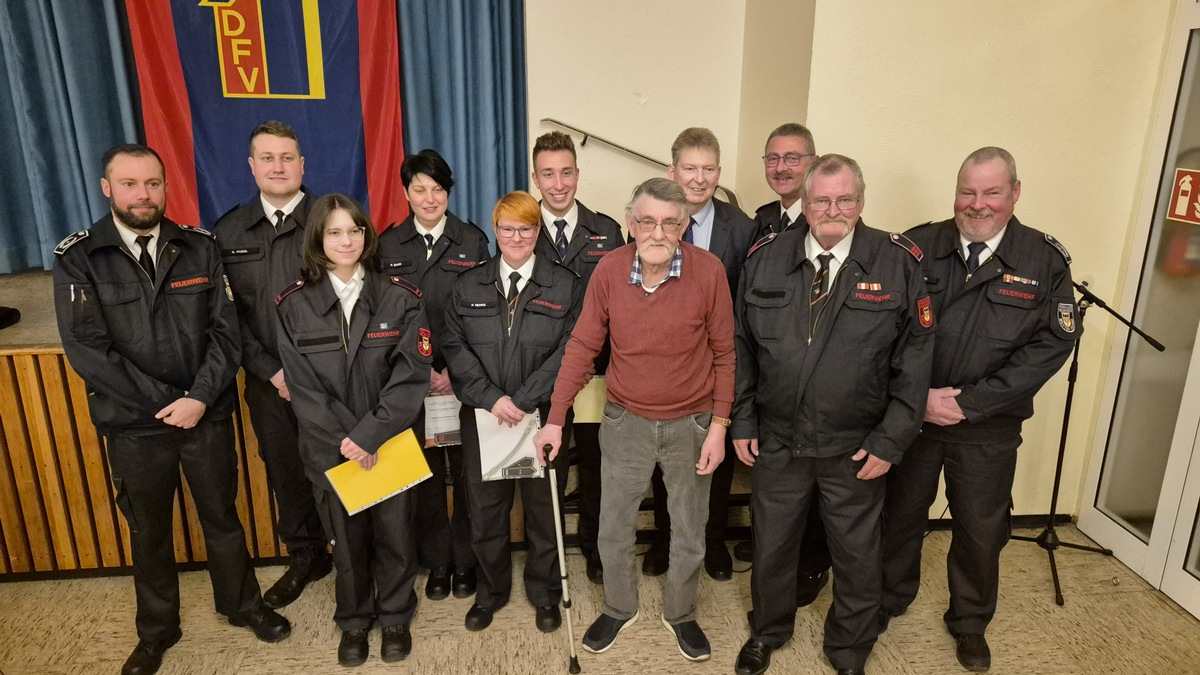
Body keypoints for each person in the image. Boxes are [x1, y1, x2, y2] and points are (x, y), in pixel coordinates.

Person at [53, 144, 291, 675]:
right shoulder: (78, 255)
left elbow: (226, 333)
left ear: (165, 187)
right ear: (107, 188)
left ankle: (241, 604)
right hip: (135, 425)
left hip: (204, 413)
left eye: (154, 183)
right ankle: (157, 630)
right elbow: (88, 350)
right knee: (149, 530)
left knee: (222, 518)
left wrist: (199, 397)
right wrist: (169, 405)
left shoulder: (199, 247)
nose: (144, 194)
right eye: (132, 183)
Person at [731, 154, 934, 675]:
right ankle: (768, 631)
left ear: (861, 202)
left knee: (857, 553)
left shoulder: (897, 262)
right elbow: (741, 349)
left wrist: (891, 440)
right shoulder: (767, 258)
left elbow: (915, 362)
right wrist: (744, 420)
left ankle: (849, 647)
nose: (833, 209)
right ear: (804, 202)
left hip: (856, 443)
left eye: (845, 199)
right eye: (821, 199)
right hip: (778, 438)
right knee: (772, 544)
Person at [880, 147, 1079, 672]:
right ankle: (889, 598)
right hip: (914, 418)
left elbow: (1049, 349)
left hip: (987, 427)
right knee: (899, 515)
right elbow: (879, 331)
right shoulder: (916, 246)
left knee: (980, 529)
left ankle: (969, 623)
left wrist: (969, 405)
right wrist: (917, 399)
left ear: (1015, 192)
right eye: (967, 191)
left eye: (992, 192)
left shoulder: (1043, 261)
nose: (977, 204)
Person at [534, 177, 734, 662]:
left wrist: (720, 429)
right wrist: (556, 419)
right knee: (614, 524)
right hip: (625, 423)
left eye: (670, 221)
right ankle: (620, 607)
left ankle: (681, 613)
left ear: (683, 225)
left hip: (692, 423)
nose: (658, 231)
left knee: (689, 528)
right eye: (647, 221)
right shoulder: (608, 270)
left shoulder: (709, 272)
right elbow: (582, 346)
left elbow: (726, 355)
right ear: (631, 223)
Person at [275, 193, 432, 666]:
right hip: (330, 448)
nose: (347, 240)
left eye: (355, 230)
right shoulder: (293, 305)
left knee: (395, 534)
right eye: (335, 232)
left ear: (367, 235)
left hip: (389, 444)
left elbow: (411, 378)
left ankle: (396, 614)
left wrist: (369, 436)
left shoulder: (400, 297)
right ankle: (354, 619)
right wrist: (349, 440)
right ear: (318, 240)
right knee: (344, 538)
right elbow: (302, 388)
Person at [442, 190, 583, 633]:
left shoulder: (566, 285)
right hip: (484, 418)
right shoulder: (467, 285)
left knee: (544, 512)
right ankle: (490, 592)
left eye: (526, 228)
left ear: (537, 231)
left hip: (542, 417)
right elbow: (453, 346)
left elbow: (572, 350)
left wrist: (524, 399)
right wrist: (490, 398)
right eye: (507, 229)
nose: (516, 237)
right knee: (485, 514)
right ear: (495, 231)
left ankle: (543, 592)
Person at [213, 121, 331, 608]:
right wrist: (273, 371)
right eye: (268, 157)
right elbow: (226, 318)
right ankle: (306, 554)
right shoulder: (228, 230)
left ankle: (353, 551)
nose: (278, 166)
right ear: (252, 166)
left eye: (287, 157)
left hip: (331, 381)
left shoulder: (334, 220)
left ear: (303, 165)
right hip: (268, 382)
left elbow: (359, 303)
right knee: (285, 469)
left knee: (341, 467)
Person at [643, 127, 757, 582]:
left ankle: (711, 542)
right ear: (672, 170)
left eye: (708, 169)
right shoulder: (650, 220)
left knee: (715, 457)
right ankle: (664, 539)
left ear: (719, 173)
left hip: (716, 364)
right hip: (663, 364)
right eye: (689, 168)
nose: (699, 178)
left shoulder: (744, 227)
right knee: (662, 458)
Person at [378, 149, 490, 600]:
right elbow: (383, 317)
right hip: (410, 383)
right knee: (422, 478)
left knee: (466, 477)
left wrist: (450, 371)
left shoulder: (473, 240)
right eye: (419, 189)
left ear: (449, 192)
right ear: (406, 192)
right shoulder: (386, 245)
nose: (429, 198)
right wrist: (419, 371)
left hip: (460, 383)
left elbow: (481, 316)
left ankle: (466, 562)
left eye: (438, 189)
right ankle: (437, 562)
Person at [741, 122, 833, 606]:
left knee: (817, 492)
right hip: (776, 386)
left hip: (822, 392)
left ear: (813, 164)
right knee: (781, 493)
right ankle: (778, 557)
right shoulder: (764, 223)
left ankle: (812, 564)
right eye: (772, 158)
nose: (781, 167)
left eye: (792, 158)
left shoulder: (828, 221)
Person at [529, 130, 626, 584]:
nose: (558, 182)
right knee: (550, 466)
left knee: (596, 467)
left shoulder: (607, 230)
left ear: (578, 175)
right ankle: (550, 561)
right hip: (542, 373)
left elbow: (623, 302)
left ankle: (594, 548)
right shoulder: (521, 231)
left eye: (566, 172)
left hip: (597, 374)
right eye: (548, 174)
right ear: (535, 178)